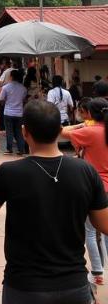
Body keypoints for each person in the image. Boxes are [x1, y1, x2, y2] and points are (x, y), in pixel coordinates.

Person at [0, 100, 108, 304]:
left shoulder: (10, 172)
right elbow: (104, 224)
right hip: (73, 283)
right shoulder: (85, 171)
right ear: (59, 130)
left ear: (24, 132)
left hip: (25, 285)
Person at [66, 98, 108, 287]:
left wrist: (81, 125)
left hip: (96, 187)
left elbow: (61, 132)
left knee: (90, 232)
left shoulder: (91, 132)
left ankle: (98, 270)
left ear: (90, 114)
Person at [0, 69, 28, 155]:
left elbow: (1, 98)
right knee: (19, 131)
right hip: (19, 113)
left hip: (8, 112)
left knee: (9, 131)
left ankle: (9, 149)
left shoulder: (6, 87)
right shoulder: (23, 88)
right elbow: (24, 99)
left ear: (11, 77)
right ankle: (21, 149)